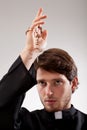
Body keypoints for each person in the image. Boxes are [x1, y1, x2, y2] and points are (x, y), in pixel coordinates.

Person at [0, 8, 87, 130]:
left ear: (73, 84)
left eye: (57, 82)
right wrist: (29, 52)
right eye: (42, 83)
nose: (48, 92)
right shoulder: (23, 123)